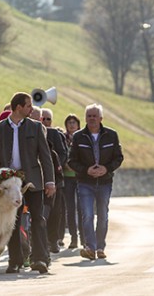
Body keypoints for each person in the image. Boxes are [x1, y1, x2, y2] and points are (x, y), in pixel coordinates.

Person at [0, 92, 55, 274]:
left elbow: (45, 157)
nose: (31, 109)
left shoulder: (36, 127)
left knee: (38, 220)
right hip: (10, 184)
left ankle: (39, 259)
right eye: (28, 106)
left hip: (33, 181)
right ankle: (15, 261)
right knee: (13, 223)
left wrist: (50, 181)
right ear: (18, 107)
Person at [68, 104, 124, 260]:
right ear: (85, 118)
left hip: (105, 182)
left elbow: (118, 158)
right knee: (87, 215)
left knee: (103, 216)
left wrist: (106, 169)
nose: (91, 119)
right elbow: (71, 161)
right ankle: (90, 248)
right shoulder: (78, 137)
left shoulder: (112, 135)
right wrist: (86, 170)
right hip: (85, 182)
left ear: (101, 118)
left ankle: (100, 247)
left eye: (94, 116)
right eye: (89, 116)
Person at [41, 108, 68, 253]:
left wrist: (55, 169)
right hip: (39, 181)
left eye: (48, 119)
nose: (45, 122)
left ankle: (53, 240)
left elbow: (63, 153)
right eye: (42, 119)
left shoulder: (54, 134)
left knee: (55, 212)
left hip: (56, 180)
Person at [62, 114, 83, 248]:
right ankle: (73, 238)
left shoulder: (82, 138)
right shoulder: (62, 138)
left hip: (80, 177)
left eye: (74, 122)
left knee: (82, 208)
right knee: (70, 209)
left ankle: (84, 237)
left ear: (78, 124)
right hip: (67, 177)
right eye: (69, 122)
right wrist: (66, 164)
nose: (71, 125)